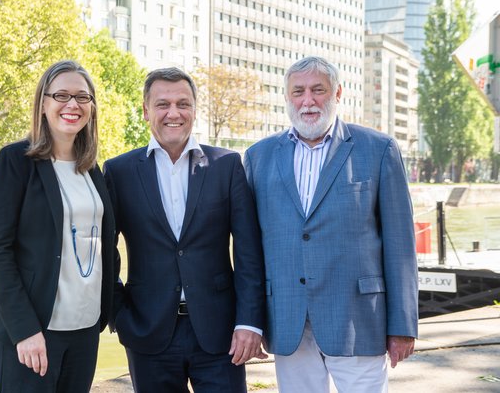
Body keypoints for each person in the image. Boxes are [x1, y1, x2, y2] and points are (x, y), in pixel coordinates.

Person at [244, 56, 418, 393]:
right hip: (287, 318)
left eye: (317, 90)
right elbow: (251, 249)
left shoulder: (379, 149)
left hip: (358, 320)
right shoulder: (258, 156)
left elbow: (400, 245)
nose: (307, 101)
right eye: (298, 92)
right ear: (287, 97)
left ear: (337, 93)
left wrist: (402, 324)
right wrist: (252, 320)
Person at [103, 67, 266, 393]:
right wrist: (118, 314)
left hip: (221, 333)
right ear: (146, 110)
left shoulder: (227, 165)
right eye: (163, 104)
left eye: (183, 103)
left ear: (194, 109)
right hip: (147, 331)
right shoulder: (119, 171)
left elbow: (248, 250)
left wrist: (249, 322)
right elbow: (105, 253)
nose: (173, 113)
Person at [0, 60, 119, 392]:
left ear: (92, 108)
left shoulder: (92, 169)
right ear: (43, 104)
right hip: (31, 332)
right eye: (61, 95)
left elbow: (104, 246)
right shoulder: (16, 161)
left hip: (84, 329)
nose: (73, 105)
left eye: (82, 97)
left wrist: (111, 311)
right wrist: (24, 330)